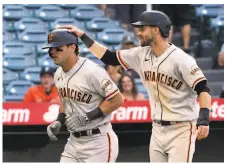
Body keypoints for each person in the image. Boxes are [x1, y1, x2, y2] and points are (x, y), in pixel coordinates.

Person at [58, 10, 211, 162]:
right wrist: (83, 36)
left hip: (181, 128)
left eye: (142, 29)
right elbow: (109, 57)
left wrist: (204, 119)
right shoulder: (140, 54)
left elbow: (203, 88)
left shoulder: (181, 59)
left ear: (156, 30)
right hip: (157, 129)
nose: (138, 33)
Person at [44, 29, 123, 162]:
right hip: (73, 142)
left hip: (98, 141)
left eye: (58, 48)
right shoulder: (58, 73)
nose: (52, 52)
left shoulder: (92, 71)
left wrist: (86, 118)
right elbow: (65, 101)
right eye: (51, 49)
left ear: (72, 47)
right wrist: (59, 120)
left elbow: (116, 100)